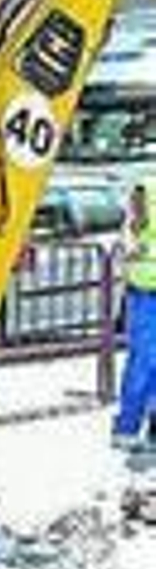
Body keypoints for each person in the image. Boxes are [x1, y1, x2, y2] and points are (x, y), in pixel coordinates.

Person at [114, 176, 156, 448]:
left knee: (145, 364)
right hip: (145, 293)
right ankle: (127, 428)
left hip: (143, 291)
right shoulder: (146, 188)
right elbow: (130, 242)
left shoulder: (145, 187)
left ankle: (142, 427)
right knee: (143, 363)